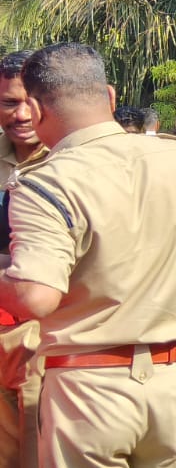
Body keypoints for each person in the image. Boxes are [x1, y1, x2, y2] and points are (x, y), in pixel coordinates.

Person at [0, 42, 176, 467]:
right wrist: (170, 248)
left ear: (38, 110)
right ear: (111, 96)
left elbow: (35, 297)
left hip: (87, 386)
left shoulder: (44, 183)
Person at [0, 50, 43, 468]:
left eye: (31, 101)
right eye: (9, 102)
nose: (22, 114)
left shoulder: (74, 163)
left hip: (48, 333)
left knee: (40, 444)